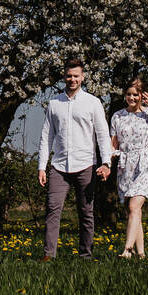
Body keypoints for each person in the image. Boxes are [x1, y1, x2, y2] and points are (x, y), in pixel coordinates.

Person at [37, 57, 112, 260]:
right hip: (59, 166)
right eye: (69, 76)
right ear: (64, 76)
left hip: (86, 164)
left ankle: (85, 255)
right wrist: (42, 167)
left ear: (83, 77)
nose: (72, 79)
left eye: (76, 76)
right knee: (52, 209)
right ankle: (48, 255)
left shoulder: (93, 103)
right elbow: (46, 136)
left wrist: (106, 163)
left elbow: (103, 135)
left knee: (86, 211)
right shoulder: (54, 103)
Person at [109, 78, 148, 258]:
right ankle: (141, 254)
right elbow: (113, 143)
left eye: (135, 95)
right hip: (125, 165)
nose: (131, 98)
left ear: (142, 95)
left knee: (134, 206)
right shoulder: (117, 116)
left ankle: (127, 249)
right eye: (128, 94)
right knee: (132, 211)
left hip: (144, 164)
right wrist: (107, 164)